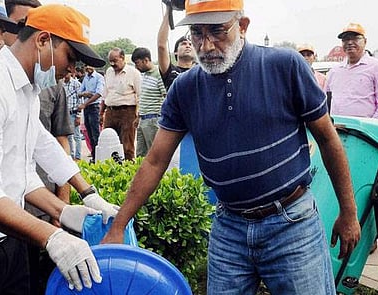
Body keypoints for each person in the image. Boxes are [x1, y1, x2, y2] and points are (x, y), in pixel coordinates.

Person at [103, 0, 361, 293]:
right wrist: (118, 225)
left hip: (292, 223)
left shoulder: (284, 66)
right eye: (197, 34)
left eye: (217, 31)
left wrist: (349, 212)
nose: (207, 45)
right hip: (230, 227)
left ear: (243, 26)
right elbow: (154, 161)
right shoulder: (185, 89)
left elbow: (328, 139)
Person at [0, 4, 119, 293]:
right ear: (42, 40)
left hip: (11, 242)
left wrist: (75, 205)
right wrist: (53, 237)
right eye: (70, 57)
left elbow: (27, 167)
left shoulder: (28, 91)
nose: (72, 70)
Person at [325, 22, 378, 118]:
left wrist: (371, 128)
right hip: (338, 129)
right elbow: (326, 101)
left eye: (355, 38)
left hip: (365, 130)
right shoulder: (334, 71)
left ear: (365, 41)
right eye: (346, 39)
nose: (349, 42)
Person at [101, 47, 141, 161]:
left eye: (115, 60)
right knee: (108, 141)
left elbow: (140, 95)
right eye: (110, 61)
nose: (112, 63)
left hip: (127, 112)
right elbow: (105, 94)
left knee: (127, 144)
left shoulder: (133, 73)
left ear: (122, 58)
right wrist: (101, 112)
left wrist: (138, 115)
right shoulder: (109, 72)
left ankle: (128, 168)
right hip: (110, 111)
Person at [131, 47, 167, 157]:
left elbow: (166, 97)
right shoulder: (144, 75)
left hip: (153, 119)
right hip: (143, 119)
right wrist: (138, 117)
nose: (136, 67)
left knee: (154, 155)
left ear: (146, 60)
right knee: (140, 155)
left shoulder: (159, 74)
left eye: (137, 63)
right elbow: (143, 98)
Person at [158, 6, 196, 90]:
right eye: (183, 44)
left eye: (190, 44)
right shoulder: (171, 71)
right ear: (175, 52)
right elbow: (161, 46)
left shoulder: (201, 71)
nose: (188, 46)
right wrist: (169, 9)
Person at [78, 65, 105, 160]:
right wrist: (85, 94)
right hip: (87, 108)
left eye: (89, 65)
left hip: (94, 107)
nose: (87, 67)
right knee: (89, 134)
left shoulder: (99, 77)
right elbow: (79, 92)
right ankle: (94, 156)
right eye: (85, 66)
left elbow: (98, 94)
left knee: (95, 134)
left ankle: (100, 157)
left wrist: (85, 102)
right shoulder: (86, 78)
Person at [63, 72, 83, 161]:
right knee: (68, 136)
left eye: (67, 74)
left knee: (77, 136)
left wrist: (78, 116)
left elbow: (80, 101)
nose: (65, 75)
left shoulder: (76, 84)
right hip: (64, 113)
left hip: (73, 113)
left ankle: (78, 156)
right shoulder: (61, 83)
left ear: (71, 74)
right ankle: (71, 157)